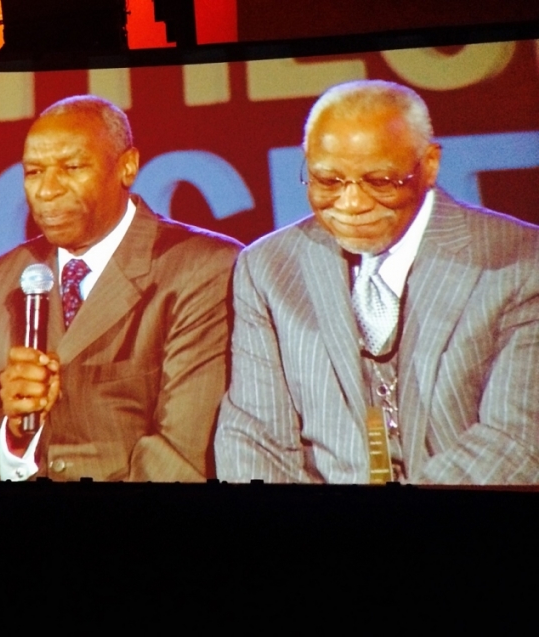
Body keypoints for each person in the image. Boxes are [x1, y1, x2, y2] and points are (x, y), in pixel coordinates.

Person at [215, 80, 539, 485]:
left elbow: (517, 440)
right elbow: (255, 439)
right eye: (328, 181)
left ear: (430, 164)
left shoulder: (522, 261)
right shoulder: (267, 267)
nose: (351, 203)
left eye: (381, 181)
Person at [0, 95, 242, 482]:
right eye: (33, 172)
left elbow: (184, 458)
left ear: (127, 166)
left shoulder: (201, 268)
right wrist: (13, 436)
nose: (47, 190)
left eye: (72, 167)